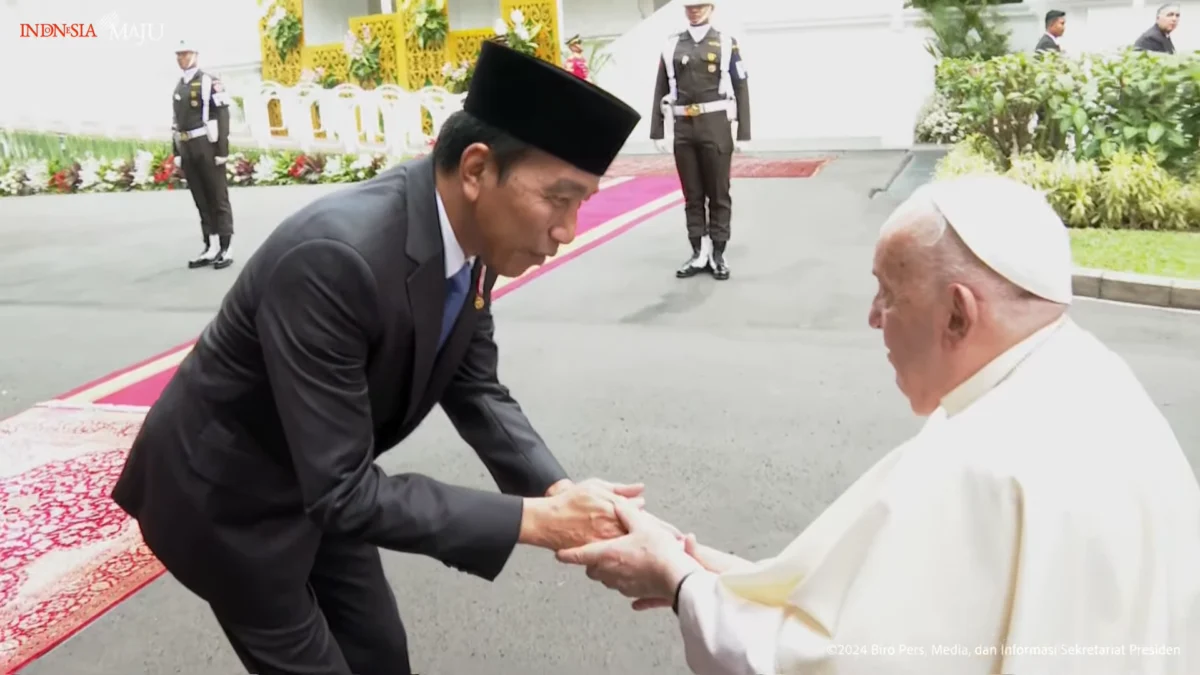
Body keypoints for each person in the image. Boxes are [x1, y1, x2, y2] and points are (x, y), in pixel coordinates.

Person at [112, 41, 644, 675]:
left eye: (581, 202)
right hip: (229, 502)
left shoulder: (474, 239)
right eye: (559, 199)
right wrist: (536, 520)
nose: (568, 229)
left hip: (328, 477)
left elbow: (476, 388)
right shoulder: (336, 258)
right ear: (476, 169)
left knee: (380, 655)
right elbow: (341, 492)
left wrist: (557, 490)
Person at [558, 175, 1200, 674]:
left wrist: (678, 582)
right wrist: (711, 569)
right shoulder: (1091, 381)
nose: (872, 317)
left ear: (958, 314)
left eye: (889, 294)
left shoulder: (984, 461)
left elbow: (830, 662)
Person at [649, 0, 751, 281]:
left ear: (711, 7)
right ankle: (698, 252)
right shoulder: (672, 45)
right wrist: (657, 130)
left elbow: (741, 85)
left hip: (715, 127)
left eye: (699, 5)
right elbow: (661, 87)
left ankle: (718, 253)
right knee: (692, 195)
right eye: (689, 7)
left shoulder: (726, 43)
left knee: (718, 194)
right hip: (684, 128)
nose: (694, 10)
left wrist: (744, 131)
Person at [171, 39, 235, 270]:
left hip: (206, 144)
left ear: (196, 55)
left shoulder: (209, 81)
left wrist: (222, 150)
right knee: (201, 199)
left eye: (186, 54)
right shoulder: (180, 85)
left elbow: (223, 115)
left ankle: (226, 246)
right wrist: (176, 150)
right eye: (179, 55)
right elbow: (176, 121)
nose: (182, 58)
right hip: (188, 146)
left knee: (217, 196)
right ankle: (210, 245)